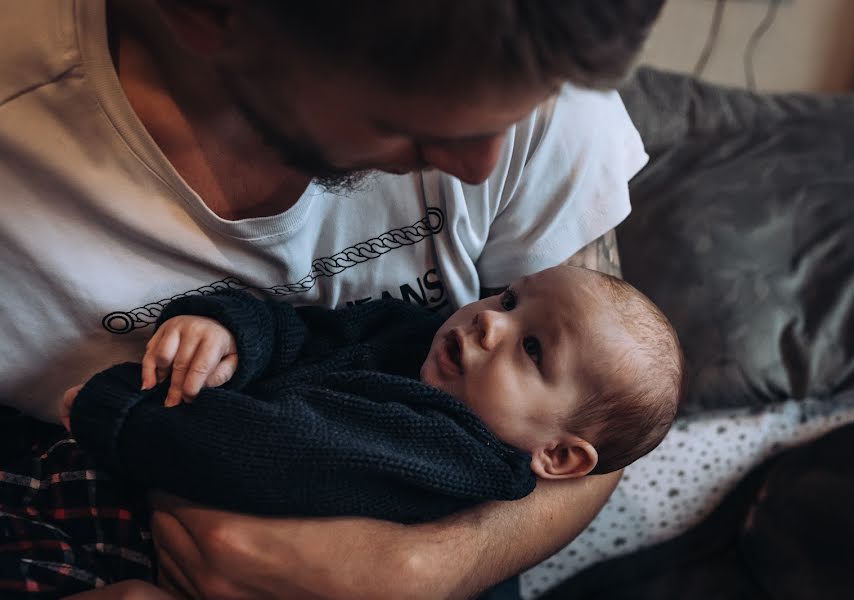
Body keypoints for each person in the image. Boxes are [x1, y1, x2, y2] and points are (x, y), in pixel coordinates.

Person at [0, 0, 665, 597]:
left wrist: (430, 567)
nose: (481, 168)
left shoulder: (533, 65)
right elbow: (311, 338)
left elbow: (605, 425)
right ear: (208, 13)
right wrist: (227, 333)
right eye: (409, 123)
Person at [61, 266, 683, 522]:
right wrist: (231, 332)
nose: (490, 320)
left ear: (559, 456)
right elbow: (307, 327)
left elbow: (274, 453)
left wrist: (117, 411)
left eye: (534, 349)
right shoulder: (412, 338)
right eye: (510, 299)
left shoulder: (451, 455)